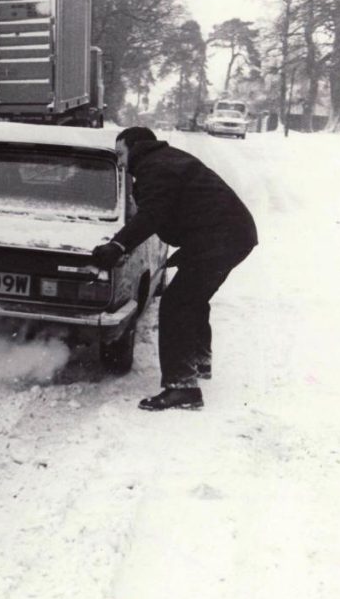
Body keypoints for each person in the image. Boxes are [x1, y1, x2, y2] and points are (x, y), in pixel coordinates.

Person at [90, 127, 258, 411]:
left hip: (222, 238)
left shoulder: (155, 168)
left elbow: (152, 215)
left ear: (135, 147)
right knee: (192, 299)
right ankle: (198, 361)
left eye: (120, 154)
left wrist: (117, 246)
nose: (119, 162)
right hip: (230, 235)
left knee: (177, 303)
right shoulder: (164, 159)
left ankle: (182, 388)